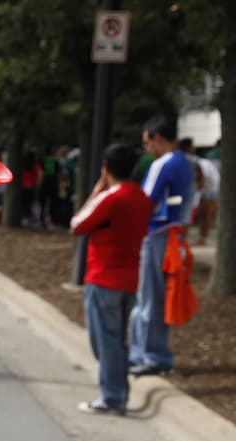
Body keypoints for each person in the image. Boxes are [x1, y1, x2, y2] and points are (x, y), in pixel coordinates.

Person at [70, 143, 152, 415]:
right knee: (117, 340)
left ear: (105, 168)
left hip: (103, 278)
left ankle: (113, 397)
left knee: (105, 342)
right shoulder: (142, 197)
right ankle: (118, 392)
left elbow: (77, 225)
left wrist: (97, 190)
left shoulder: (110, 198)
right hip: (130, 278)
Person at [130, 114, 194, 377]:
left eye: (147, 143)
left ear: (158, 138)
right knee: (157, 295)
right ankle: (150, 352)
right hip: (174, 232)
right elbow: (183, 200)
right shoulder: (185, 163)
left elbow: (146, 201)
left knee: (149, 296)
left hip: (156, 232)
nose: (147, 149)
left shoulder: (162, 164)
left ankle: (149, 355)